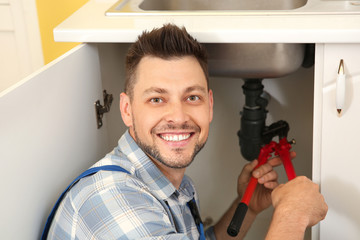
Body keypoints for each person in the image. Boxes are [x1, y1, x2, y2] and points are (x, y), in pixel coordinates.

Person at [46, 24, 327, 239]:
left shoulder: (168, 186)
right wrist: (292, 215)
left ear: (210, 105)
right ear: (127, 109)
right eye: (157, 99)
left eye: (192, 97)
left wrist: (247, 206)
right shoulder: (113, 200)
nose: (178, 117)